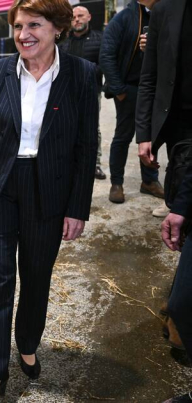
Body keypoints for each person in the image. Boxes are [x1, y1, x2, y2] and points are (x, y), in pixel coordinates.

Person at [0, 0, 98, 399]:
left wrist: (77, 207)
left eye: (34, 25)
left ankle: (29, 344)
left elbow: (87, 147)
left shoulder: (82, 75)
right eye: (19, 26)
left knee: (36, 277)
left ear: (58, 28)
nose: (24, 35)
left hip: (48, 189)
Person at [135, 0, 192, 400]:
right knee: (181, 214)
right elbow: (150, 77)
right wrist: (145, 131)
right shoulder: (167, 10)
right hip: (182, 136)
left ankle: (182, 314)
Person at [100, 0, 163, 204]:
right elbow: (106, 54)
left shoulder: (162, 14)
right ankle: (116, 183)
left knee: (152, 137)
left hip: (155, 89)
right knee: (123, 136)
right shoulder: (123, 18)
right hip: (130, 89)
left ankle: (149, 181)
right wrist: (119, 90)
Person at [60, 5, 106, 180]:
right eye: (73, 17)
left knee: (93, 128)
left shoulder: (99, 39)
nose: (77, 19)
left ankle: (95, 165)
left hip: (91, 91)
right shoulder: (64, 42)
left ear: (89, 17)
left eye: (80, 16)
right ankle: (69, 161)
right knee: (67, 126)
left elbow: (104, 64)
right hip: (67, 93)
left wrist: (86, 72)